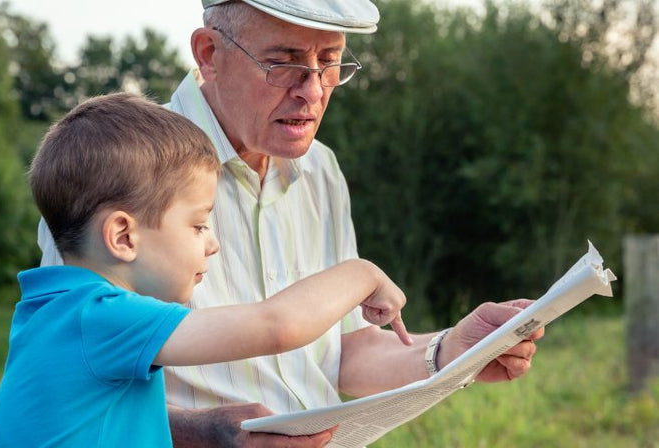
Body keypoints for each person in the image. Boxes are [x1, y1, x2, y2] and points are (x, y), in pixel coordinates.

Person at [37, 1, 545, 447]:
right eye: (284, 63)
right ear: (208, 53)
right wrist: (205, 436)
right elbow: (70, 389)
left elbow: (342, 348)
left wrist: (452, 350)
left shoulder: (321, 169)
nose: (313, 91)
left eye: (329, 64)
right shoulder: (117, 172)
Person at [0, 92, 415, 447]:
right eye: (198, 225)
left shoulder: (57, 311)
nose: (212, 244)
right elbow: (276, 325)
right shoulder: (98, 317)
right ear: (123, 236)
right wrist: (363, 274)